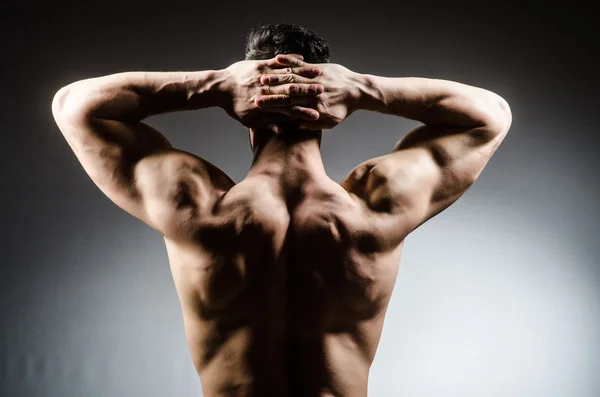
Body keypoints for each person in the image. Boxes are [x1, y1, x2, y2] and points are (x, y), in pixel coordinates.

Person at [51, 23, 511, 397]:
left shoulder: (195, 204)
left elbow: (74, 105)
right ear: (326, 108)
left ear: (248, 115)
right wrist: (361, 88)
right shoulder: (377, 207)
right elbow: (490, 113)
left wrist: (217, 85)